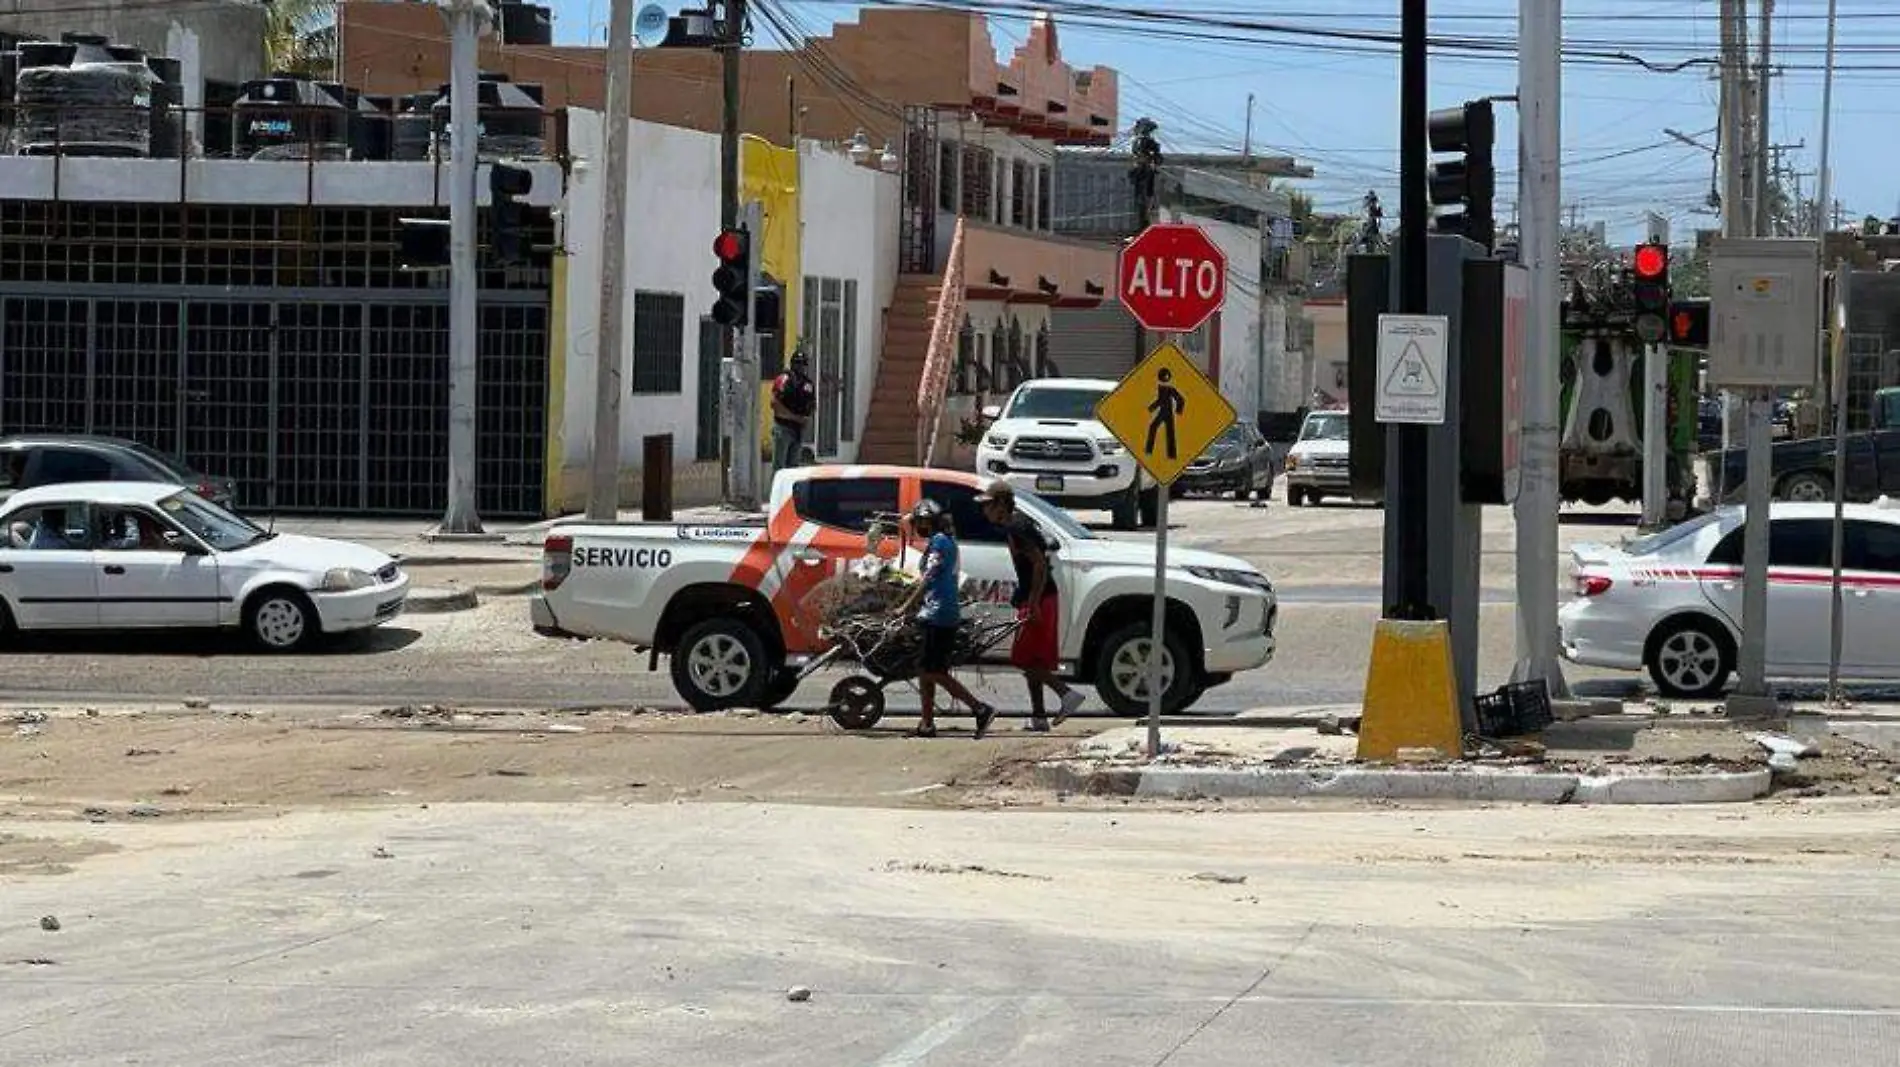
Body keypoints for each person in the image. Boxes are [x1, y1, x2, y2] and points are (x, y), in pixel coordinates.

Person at [978, 484, 1086, 732]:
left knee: (1025, 659)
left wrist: (1034, 602)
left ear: (1002, 504)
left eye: (988, 505)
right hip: (1037, 596)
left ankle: (1066, 693)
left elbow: (1038, 564)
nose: (985, 510)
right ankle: (1039, 716)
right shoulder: (1016, 524)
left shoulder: (1018, 527)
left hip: (1039, 599)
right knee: (1033, 659)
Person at [894, 498, 996, 739]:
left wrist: (905, 606)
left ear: (933, 522)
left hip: (939, 614)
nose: (920, 525)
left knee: (934, 672)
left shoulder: (940, 542)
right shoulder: (943, 540)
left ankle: (980, 709)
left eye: (924, 522)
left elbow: (929, 576)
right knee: (926, 670)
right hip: (935, 612)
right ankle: (926, 724)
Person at [771, 350, 816, 472]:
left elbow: (811, 405)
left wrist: (806, 419)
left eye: (803, 364)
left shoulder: (808, 384)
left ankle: (791, 491)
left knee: (793, 469)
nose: (800, 367)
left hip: (798, 430)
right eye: (797, 364)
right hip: (783, 428)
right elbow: (775, 404)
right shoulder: (784, 379)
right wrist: (795, 417)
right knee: (779, 467)